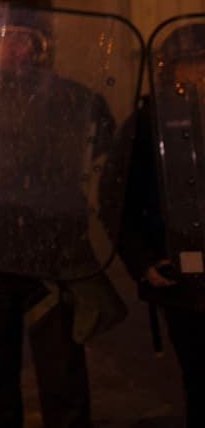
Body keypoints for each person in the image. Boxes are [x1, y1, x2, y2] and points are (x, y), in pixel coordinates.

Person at [0, 8, 126, 428]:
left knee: (62, 373)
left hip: (53, 255)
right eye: (1, 38)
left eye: (24, 39)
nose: (13, 47)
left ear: (39, 48)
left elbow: (103, 164)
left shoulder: (74, 100)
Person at [120, 22, 205, 426]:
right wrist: (144, 261)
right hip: (182, 273)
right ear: (171, 69)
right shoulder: (147, 123)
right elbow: (119, 199)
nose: (200, 71)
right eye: (192, 63)